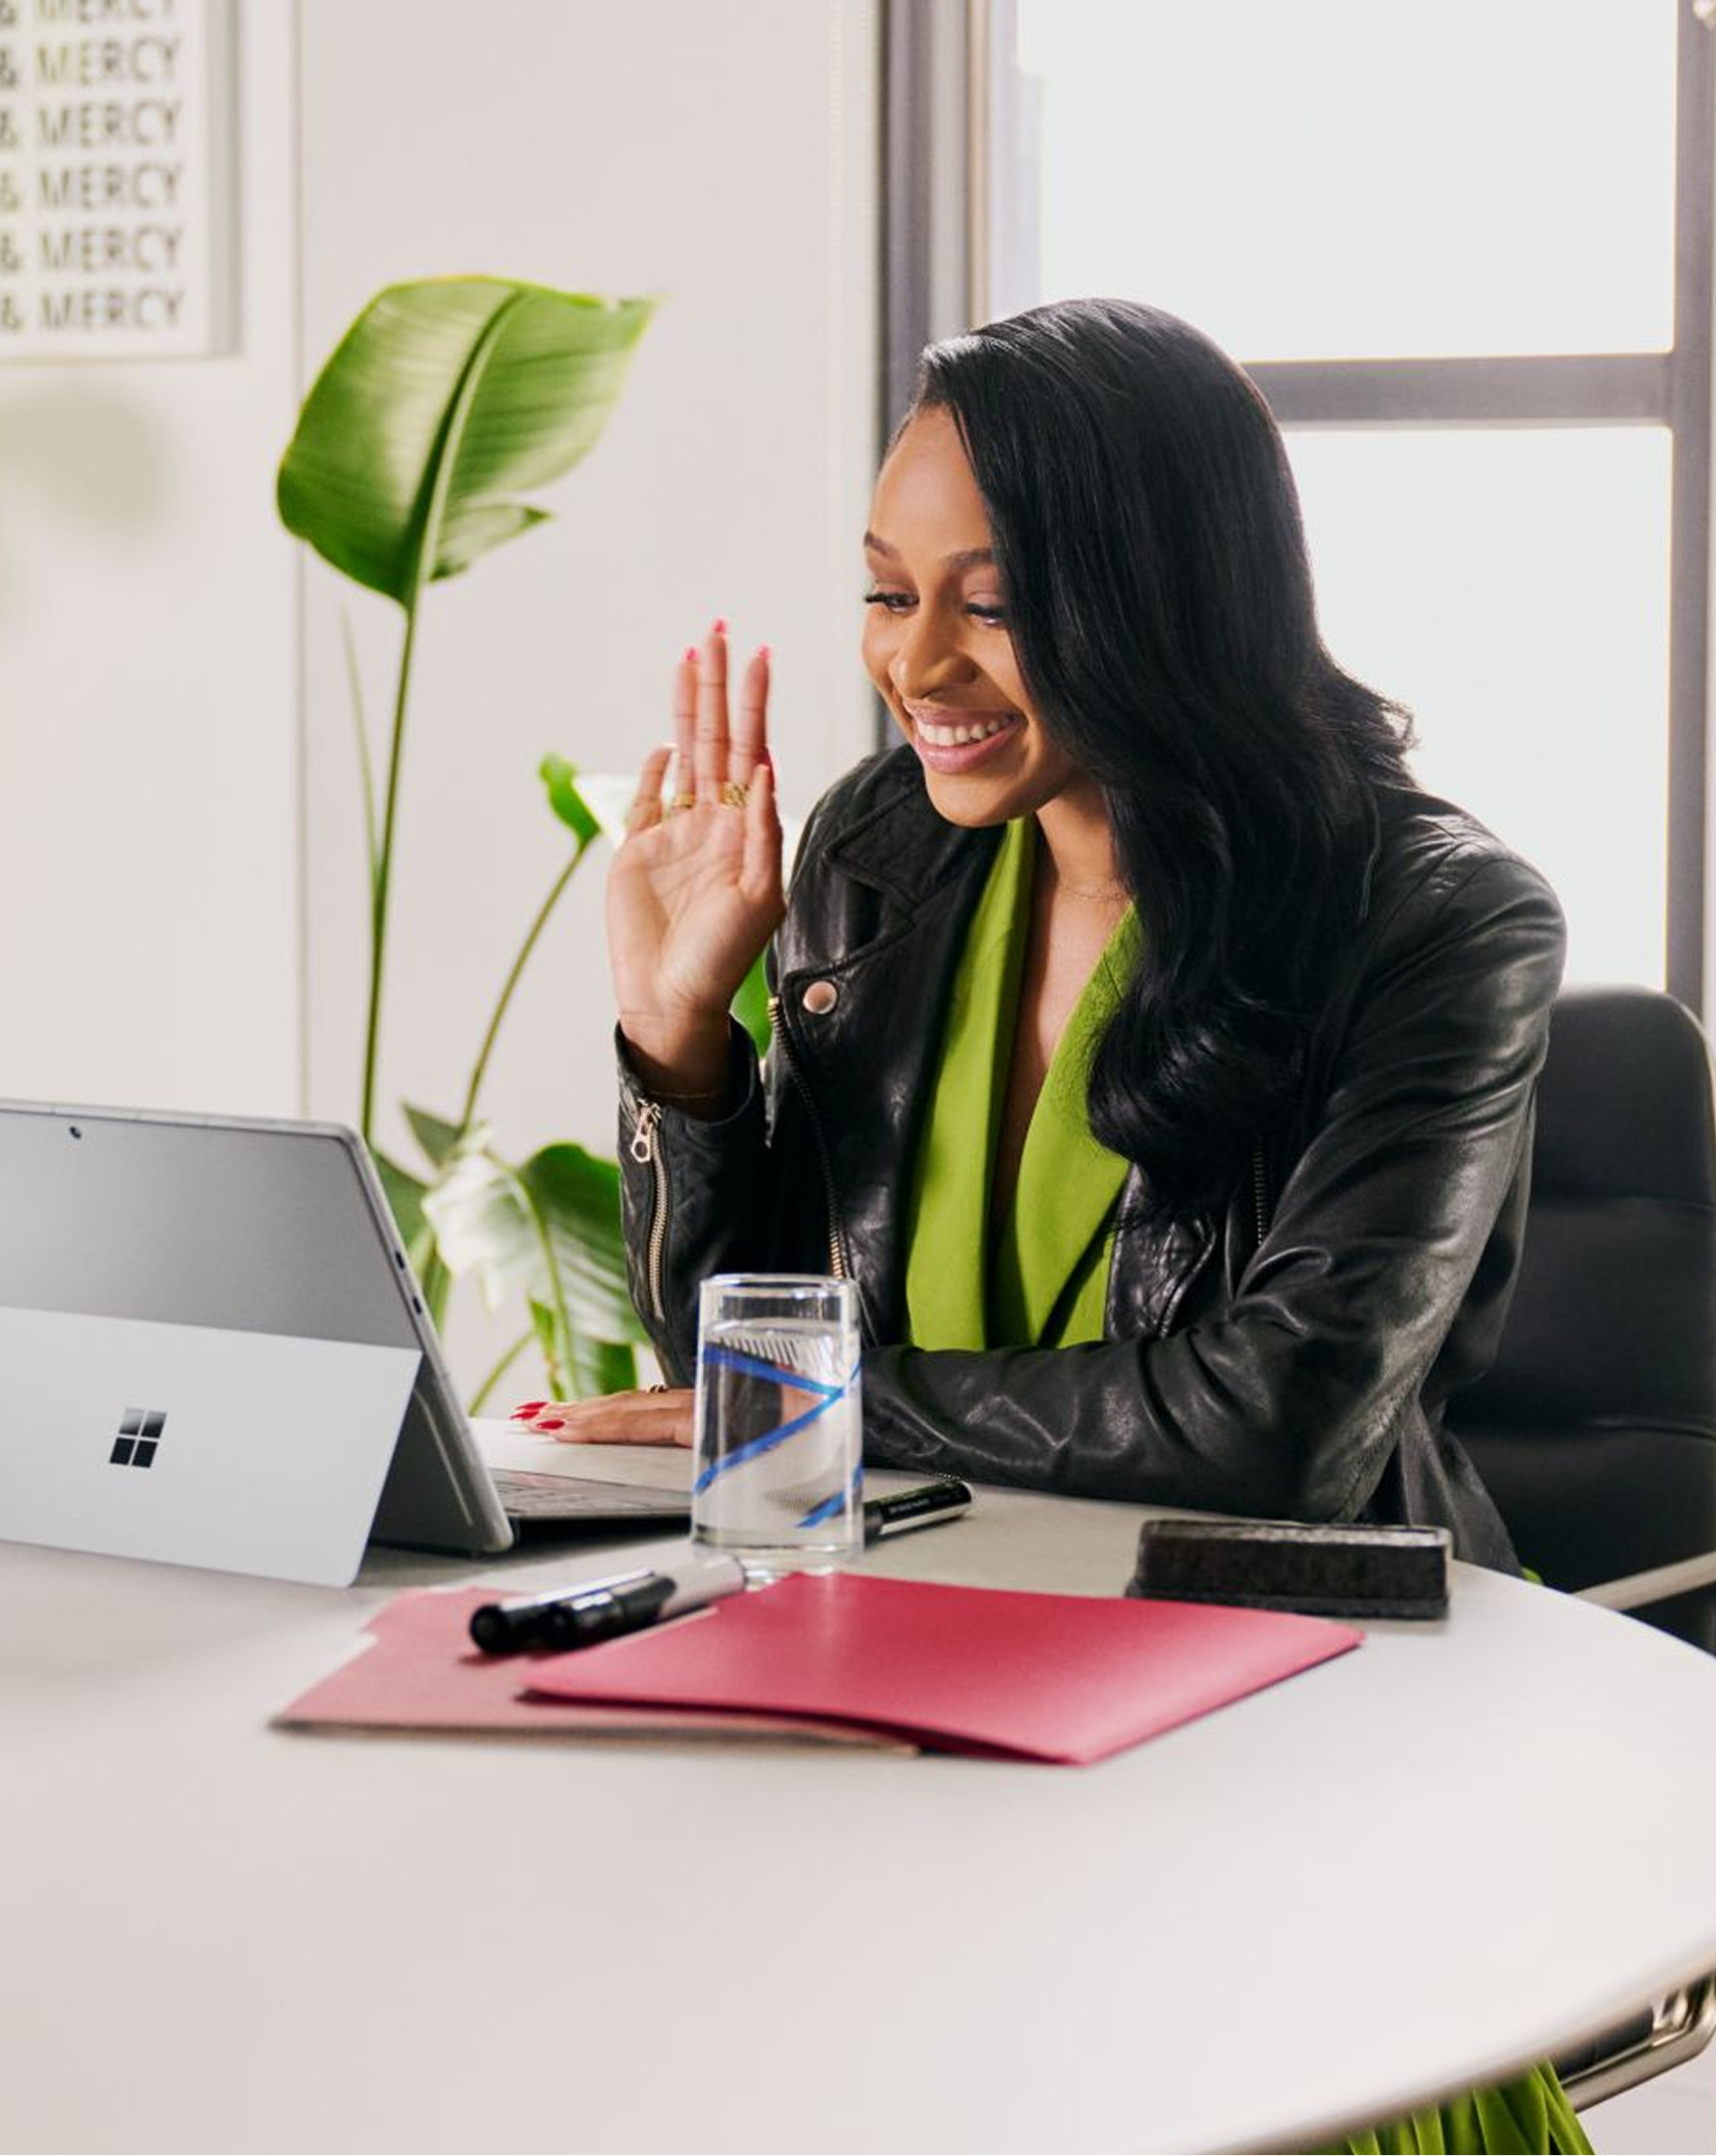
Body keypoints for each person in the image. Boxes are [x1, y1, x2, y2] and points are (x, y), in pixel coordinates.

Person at [517, 297, 1582, 2153]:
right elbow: (734, 1350)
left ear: (1159, 597)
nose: (915, 661)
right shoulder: (887, 851)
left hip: (1283, 1699)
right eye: (883, 590)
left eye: (990, 602)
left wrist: (835, 1410)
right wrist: (682, 1040)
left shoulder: (1434, 919)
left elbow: (1280, 1424)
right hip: (926, 1655)